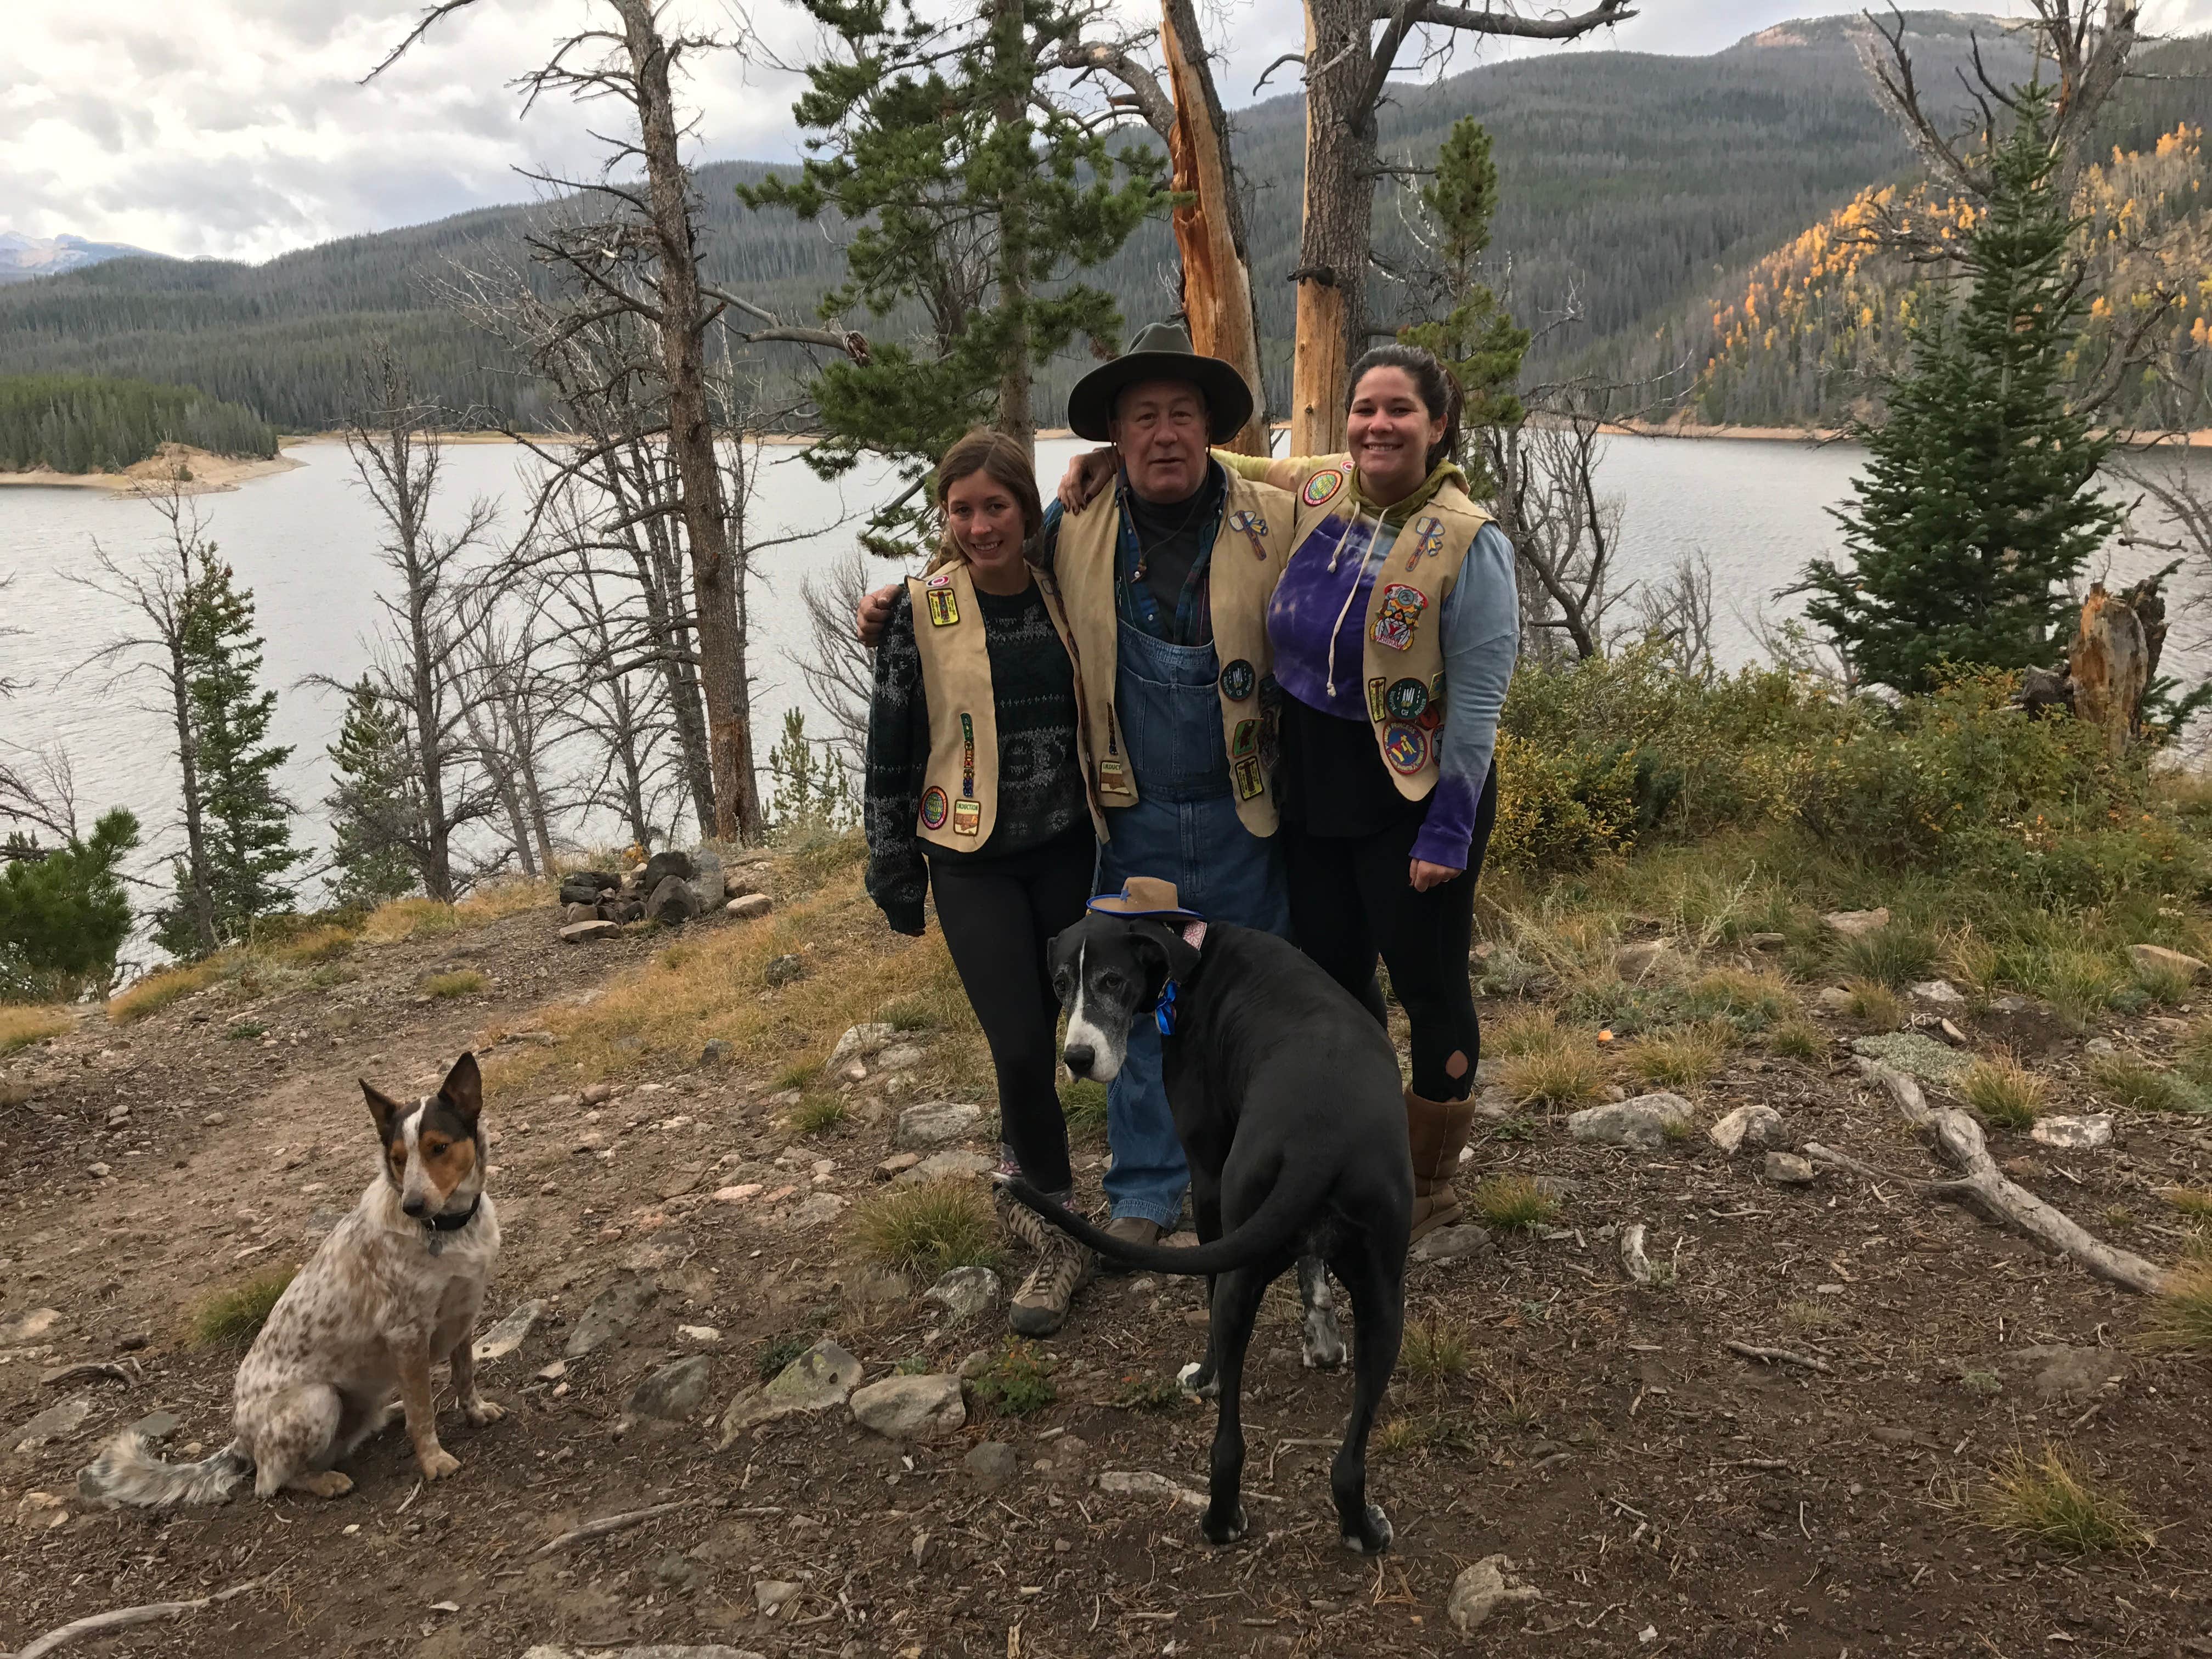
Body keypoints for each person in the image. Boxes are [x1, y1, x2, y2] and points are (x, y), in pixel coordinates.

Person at [1058, 343, 1518, 1240]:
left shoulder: (1470, 539)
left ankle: (1425, 1186)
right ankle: (1325, 1149)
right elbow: (1215, 457)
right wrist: (1112, 456)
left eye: (1401, 411)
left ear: (1440, 424)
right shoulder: (1324, 491)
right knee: (1334, 987)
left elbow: (1478, 707)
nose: (1379, 426)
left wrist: (1449, 831)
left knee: (1428, 988)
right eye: (1365, 410)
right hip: (1307, 796)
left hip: (1408, 800)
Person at [860, 322, 1299, 1257]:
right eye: (1142, 418)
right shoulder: (1075, 525)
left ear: (1212, 427)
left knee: (1255, 1006)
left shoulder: (1275, 514)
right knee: (1127, 1004)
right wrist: (899, 602)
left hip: (1245, 813)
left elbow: (1364, 474)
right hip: (1131, 818)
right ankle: (1146, 1189)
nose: (1164, 433)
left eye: (1182, 414)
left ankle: (1263, 1183)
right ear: (1115, 432)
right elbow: (985, 570)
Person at [863, 429, 1103, 1336]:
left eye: (995, 507)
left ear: (1025, 509)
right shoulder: (921, 610)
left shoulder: (1062, 587)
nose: (978, 526)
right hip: (969, 858)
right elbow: (889, 744)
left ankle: (1056, 1168)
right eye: (960, 510)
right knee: (1021, 1044)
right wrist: (893, 868)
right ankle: (1055, 1226)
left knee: (1073, 1022)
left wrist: (1104, 461)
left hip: (1070, 845)